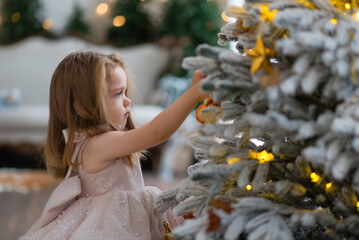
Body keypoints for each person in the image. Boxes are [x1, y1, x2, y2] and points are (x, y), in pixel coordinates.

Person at [20, 51, 208, 240]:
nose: (128, 100)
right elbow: (157, 131)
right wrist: (193, 95)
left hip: (132, 217)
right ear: (83, 108)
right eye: (118, 93)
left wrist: (193, 90)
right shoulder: (98, 144)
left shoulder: (101, 141)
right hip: (115, 226)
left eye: (125, 92)